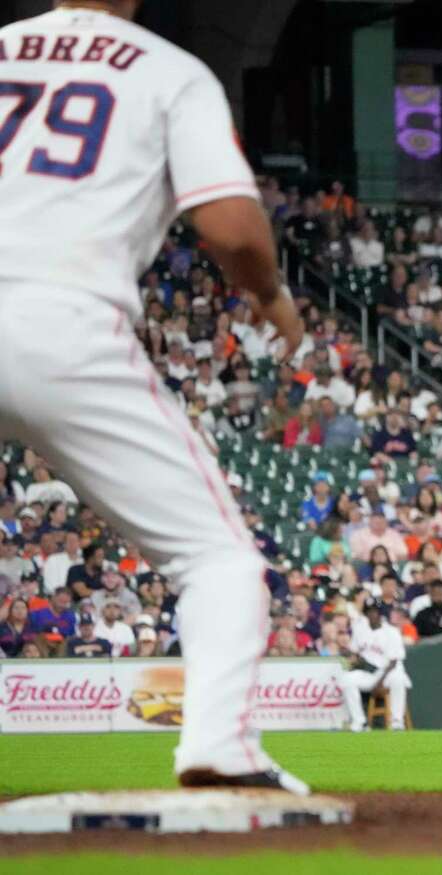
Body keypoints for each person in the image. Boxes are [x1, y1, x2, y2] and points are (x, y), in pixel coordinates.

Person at [0, 1, 307, 793]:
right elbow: (233, 227)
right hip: (57, 319)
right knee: (219, 560)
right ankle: (218, 746)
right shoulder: (168, 70)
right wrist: (270, 295)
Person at [339, 599, 411, 731]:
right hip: (369, 673)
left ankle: (397, 722)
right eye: (370, 611)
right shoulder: (360, 629)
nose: (373, 614)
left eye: (375, 611)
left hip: (388, 672)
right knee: (346, 679)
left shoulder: (391, 632)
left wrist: (380, 681)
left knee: (398, 679)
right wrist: (347, 653)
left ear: (380, 613)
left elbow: (394, 662)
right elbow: (355, 652)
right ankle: (360, 722)